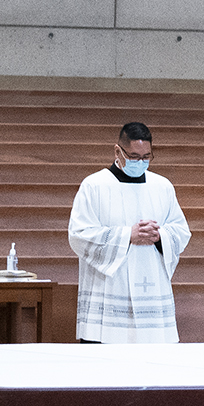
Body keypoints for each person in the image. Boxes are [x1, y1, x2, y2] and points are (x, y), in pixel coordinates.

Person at [67, 122, 191, 344]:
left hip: (151, 295)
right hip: (110, 294)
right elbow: (79, 234)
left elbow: (181, 231)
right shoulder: (94, 185)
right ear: (118, 151)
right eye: (133, 156)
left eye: (146, 156)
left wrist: (160, 235)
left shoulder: (162, 186)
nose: (140, 162)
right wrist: (127, 235)